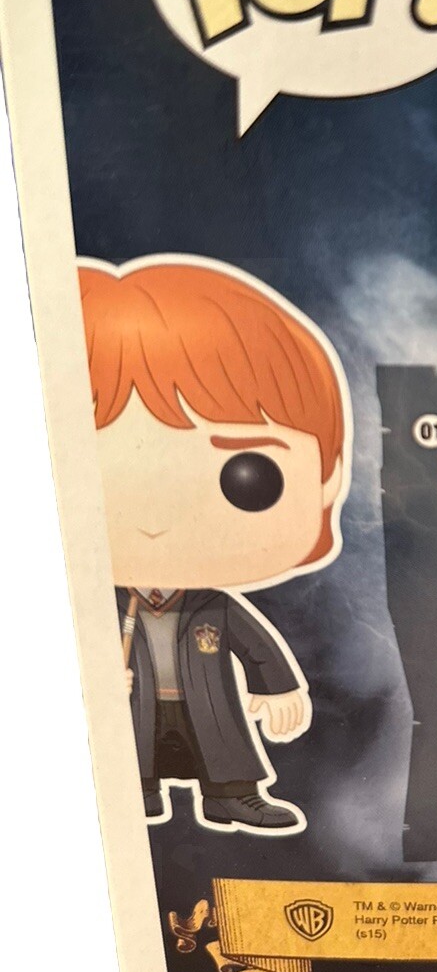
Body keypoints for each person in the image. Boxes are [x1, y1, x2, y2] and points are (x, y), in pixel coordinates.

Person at [80, 255, 351, 833]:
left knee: (222, 741)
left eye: (249, 477)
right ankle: (132, 794)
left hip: (204, 698)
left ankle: (231, 796)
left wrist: (278, 689)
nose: (155, 521)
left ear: (326, 479)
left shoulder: (213, 605)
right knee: (129, 749)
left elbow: (257, 647)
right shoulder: (97, 607)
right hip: (133, 704)